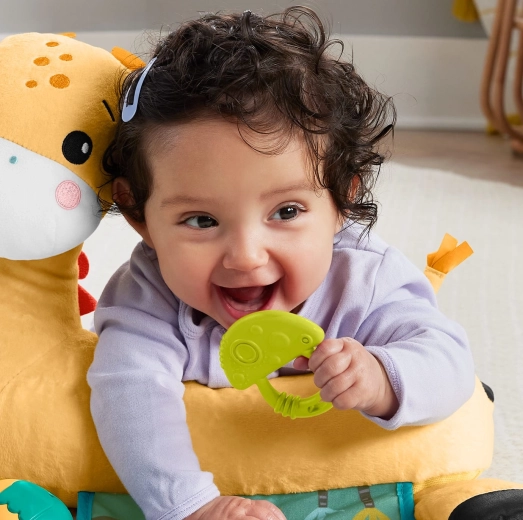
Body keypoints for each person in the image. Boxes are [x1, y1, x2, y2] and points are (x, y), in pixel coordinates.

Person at [87, 6, 475, 520]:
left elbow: (450, 361)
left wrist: (383, 377)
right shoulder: (147, 295)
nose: (246, 257)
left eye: (286, 212)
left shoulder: (364, 279)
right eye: (201, 220)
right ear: (139, 215)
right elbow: (128, 393)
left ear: (341, 200)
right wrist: (192, 506)